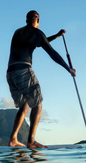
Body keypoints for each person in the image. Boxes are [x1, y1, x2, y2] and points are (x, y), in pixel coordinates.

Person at [6, 10, 76, 149]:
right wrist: (68, 69)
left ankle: (13, 139)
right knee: (37, 104)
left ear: (26, 21)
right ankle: (31, 141)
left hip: (10, 73)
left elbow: (38, 42)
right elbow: (52, 53)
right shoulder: (37, 33)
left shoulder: (18, 32)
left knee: (25, 104)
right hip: (23, 71)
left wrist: (56, 36)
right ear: (38, 21)